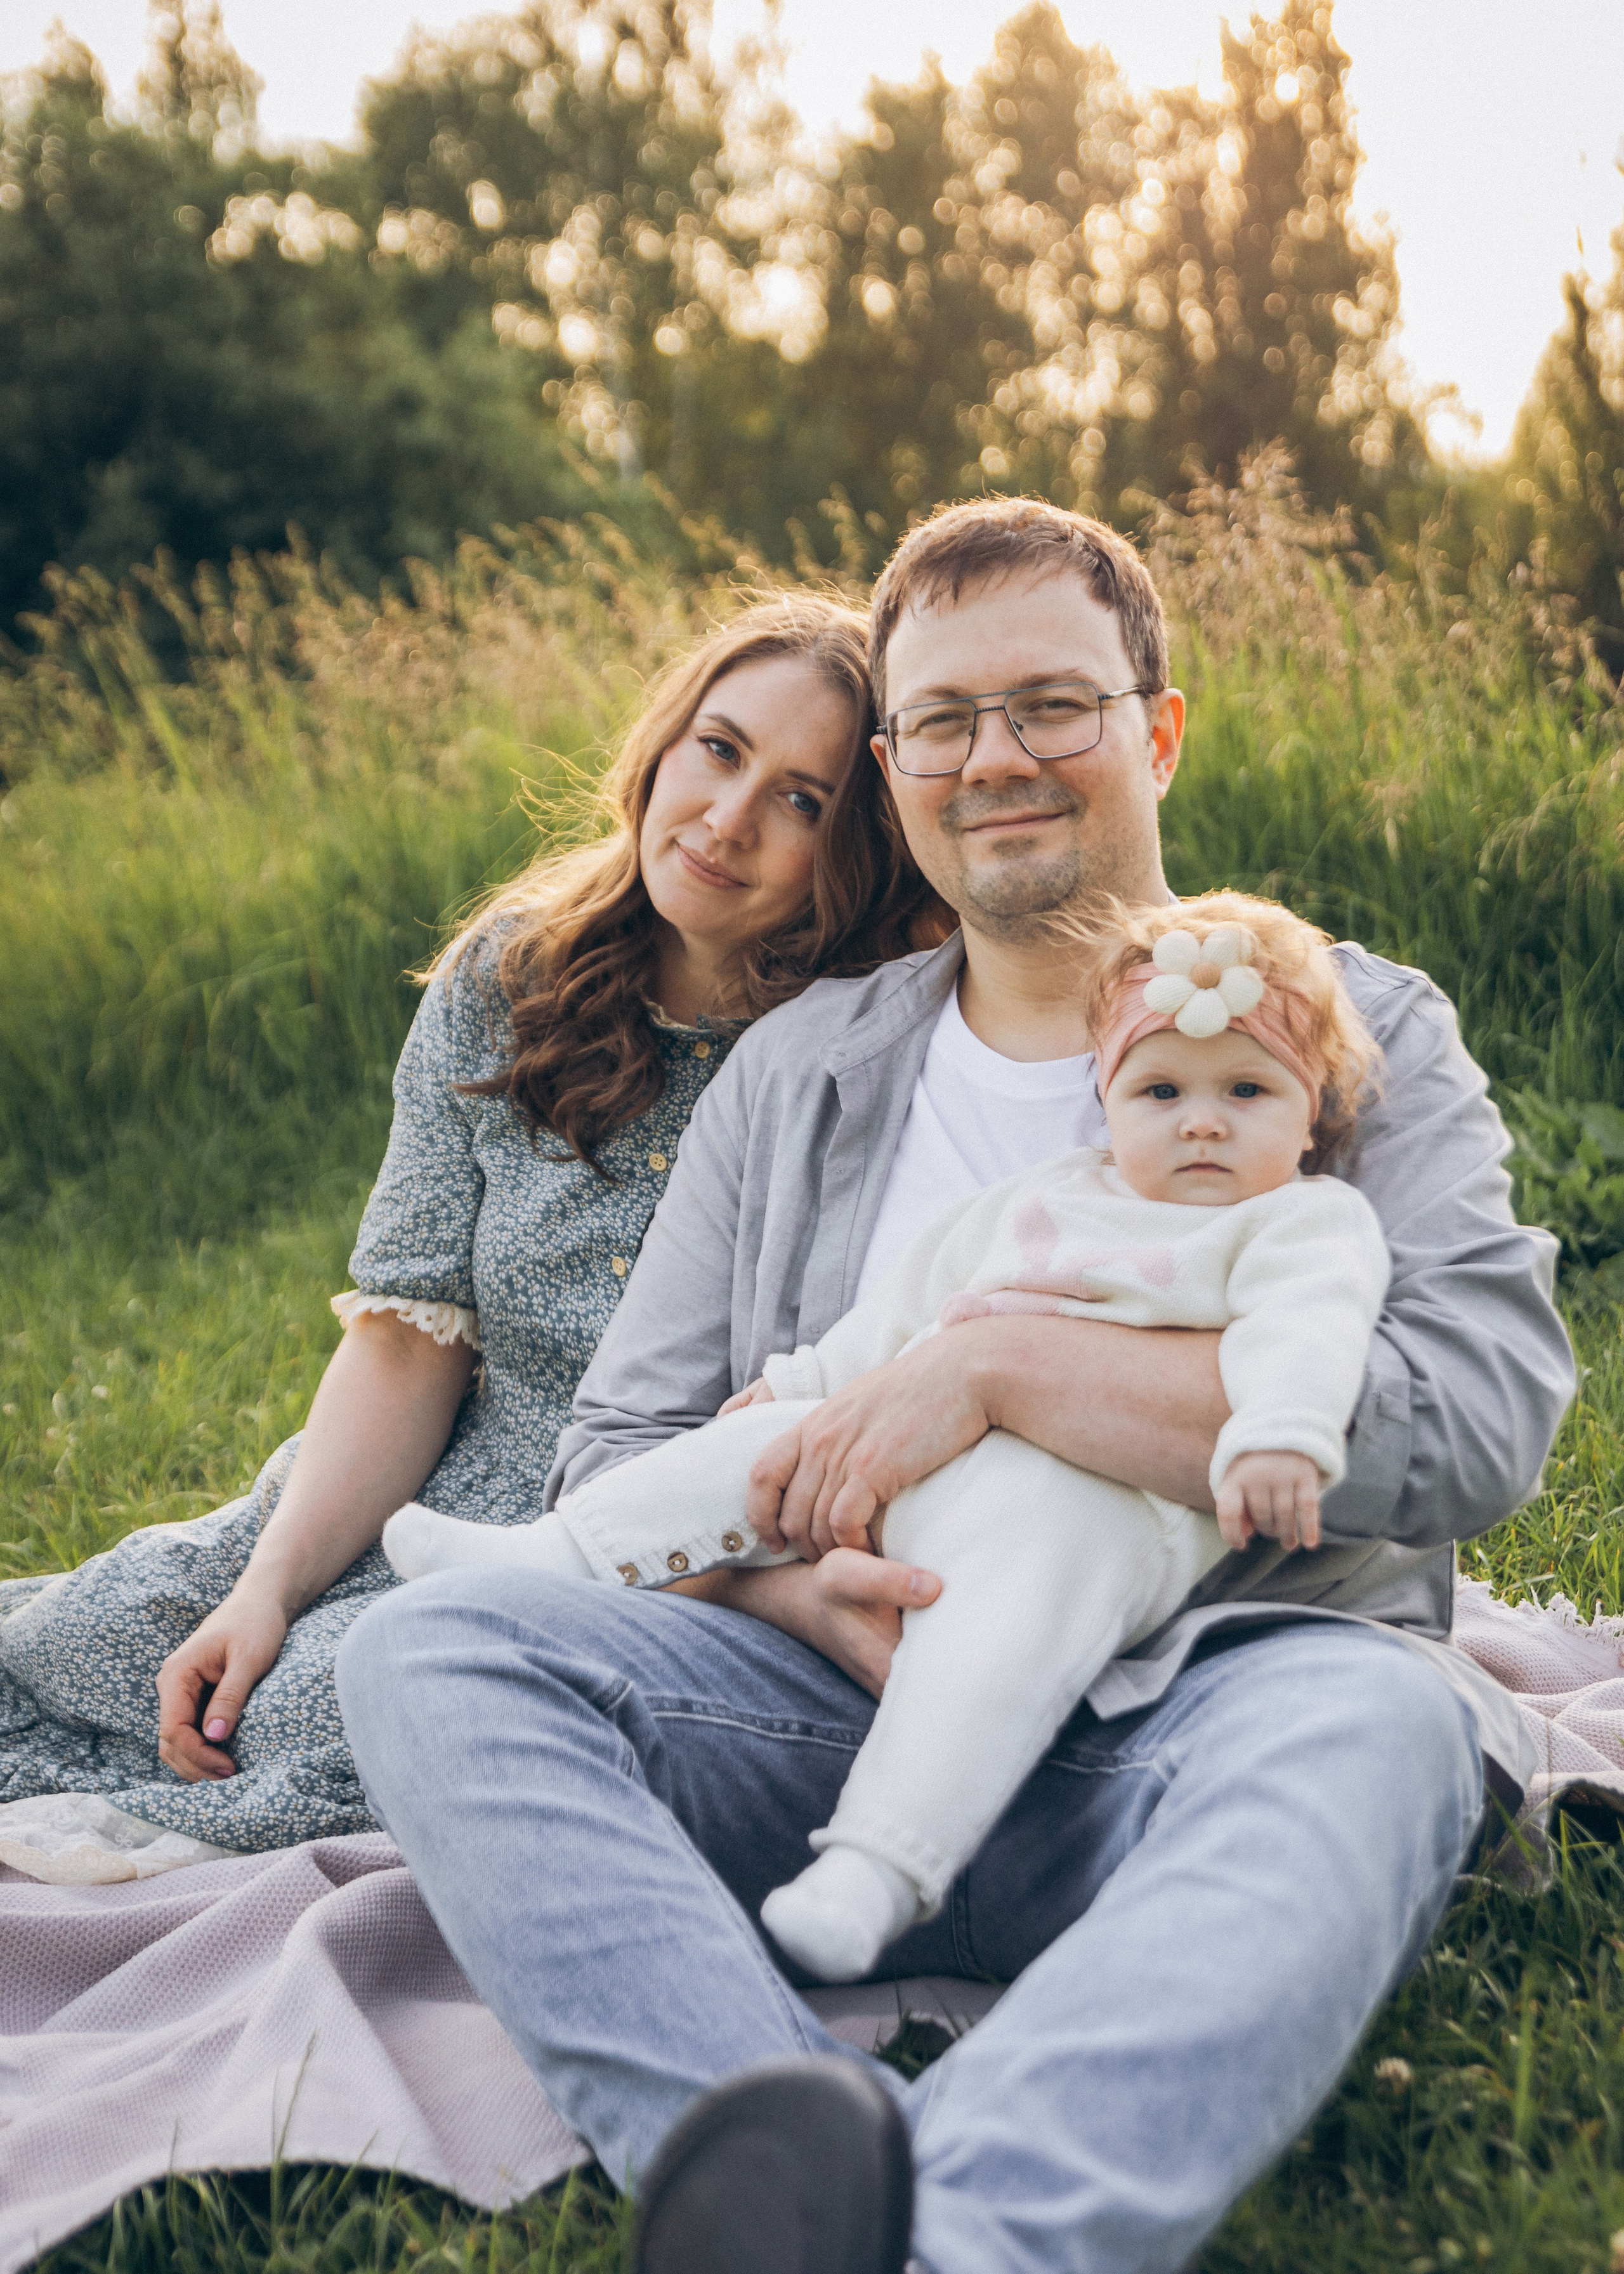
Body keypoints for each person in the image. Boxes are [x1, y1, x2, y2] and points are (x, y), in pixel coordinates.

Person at [336, 500, 1575, 2274]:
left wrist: (998, 1370)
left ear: (1155, 726)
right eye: (941, 722)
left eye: (1051, 705)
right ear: (900, 768)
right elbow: (616, 1448)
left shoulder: (1353, 1024)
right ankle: (775, 2157)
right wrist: (786, 1582)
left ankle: (960, 2242)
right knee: (430, 1653)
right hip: (828, 1710)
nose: (996, 760)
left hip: (1210, 1703)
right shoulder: (800, 1074)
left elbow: (1470, 1416)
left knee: (1391, 1733)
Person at [0, 596, 944, 1874]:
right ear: (662, 745)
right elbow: (408, 1345)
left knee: (329, 1708)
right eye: (719, 750)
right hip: (432, 1473)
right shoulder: (512, 977)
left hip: (662, 1540)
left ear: (858, 849)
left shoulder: (857, 1054)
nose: (727, 819)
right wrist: (268, 1585)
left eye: (801, 801)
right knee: (100, 1635)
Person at [382, 891, 1391, 1986]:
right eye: (1162, 1090)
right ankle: (566, 1557)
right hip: (917, 1465)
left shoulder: (1299, 1220)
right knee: (762, 1447)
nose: (1202, 1120)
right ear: (1105, 1099)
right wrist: (797, 1389)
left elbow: (1311, 1330)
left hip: (1099, 1507)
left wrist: (1279, 1438)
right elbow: (900, 1323)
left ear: (1312, 1110)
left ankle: (874, 1867)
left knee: (991, 1641)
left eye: (1246, 1090)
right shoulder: (1043, 1200)